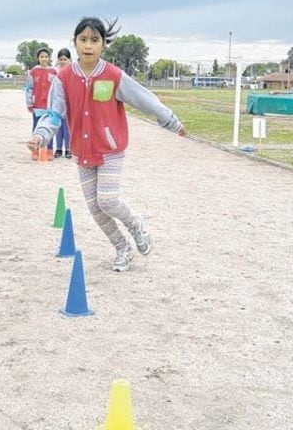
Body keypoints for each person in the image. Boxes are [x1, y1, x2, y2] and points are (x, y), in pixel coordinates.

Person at [27, 17, 186, 272]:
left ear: (103, 45)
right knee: (95, 209)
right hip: (81, 151)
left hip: (110, 149)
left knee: (108, 200)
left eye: (94, 40)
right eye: (82, 40)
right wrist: (40, 136)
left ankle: (136, 225)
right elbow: (54, 113)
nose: (88, 45)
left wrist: (171, 121)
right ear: (75, 43)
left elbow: (143, 99)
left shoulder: (113, 76)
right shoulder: (64, 78)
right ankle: (122, 247)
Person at [24, 47, 58, 160]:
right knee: (37, 127)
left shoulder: (54, 71)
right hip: (37, 105)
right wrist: (29, 103)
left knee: (49, 127)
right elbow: (29, 88)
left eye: (46, 56)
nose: (44, 58)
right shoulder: (33, 71)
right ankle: (35, 150)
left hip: (50, 106)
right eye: (41, 56)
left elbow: (56, 89)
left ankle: (49, 150)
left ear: (49, 58)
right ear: (38, 58)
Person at [54, 48, 72, 159]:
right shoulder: (55, 71)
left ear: (69, 59)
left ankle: (69, 149)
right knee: (58, 127)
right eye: (60, 59)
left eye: (65, 59)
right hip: (57, 102)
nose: (62, 61)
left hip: (68, 103)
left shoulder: (72, 71)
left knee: (68, 128)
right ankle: (59, 148)